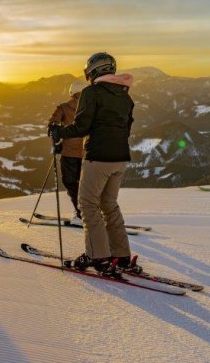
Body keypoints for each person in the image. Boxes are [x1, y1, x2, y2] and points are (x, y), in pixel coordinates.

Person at [48, 52, 141, 275]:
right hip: (120, 158)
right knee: (109, 205)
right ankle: (121, 255)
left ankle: (97, 256)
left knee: (87, 204)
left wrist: (58, 131)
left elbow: (81, 127)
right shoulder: (124, 96)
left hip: (97, 157)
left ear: (93, 71)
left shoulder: (91, 93)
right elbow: (126, 129)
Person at [48, 79, 87, 226]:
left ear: (72, 92)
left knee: (70, 182)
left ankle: (81, 213)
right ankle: (90, 211)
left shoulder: (64, 107)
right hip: (89, 153)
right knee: (86, 184)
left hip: (70, 153)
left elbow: (53, 123)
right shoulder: (92, 108)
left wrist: (57, 141)